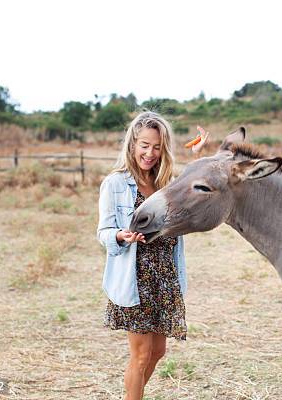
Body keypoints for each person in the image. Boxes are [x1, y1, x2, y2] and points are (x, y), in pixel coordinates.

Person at [97, 111, 208, 400]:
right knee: (142, 355)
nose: (150, 153)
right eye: (144, 145)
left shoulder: (165, 182)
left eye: (157, 147)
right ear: (132, 144)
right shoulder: (116, 183)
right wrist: (120, 236)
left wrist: (197, 158)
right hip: (136, 279)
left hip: (165, 276)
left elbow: (195, 195)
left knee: (158, 352)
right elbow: (104, 231)